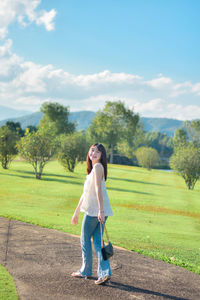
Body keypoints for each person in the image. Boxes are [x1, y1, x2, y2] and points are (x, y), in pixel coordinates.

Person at [71, 143, 113, 285]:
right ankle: (104, 273)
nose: (94, 153)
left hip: (96, 211)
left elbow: (98, 189)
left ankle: (86, 270)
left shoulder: (97, 167)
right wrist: (76, 212)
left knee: (85, 239)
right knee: (98, 242)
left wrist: (100, 210)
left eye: (98, 152)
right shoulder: (93, 170)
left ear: (102, 156)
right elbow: (85, 194)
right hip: (98, 210)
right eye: (92, 150)